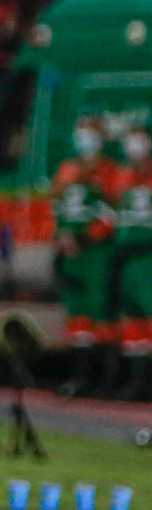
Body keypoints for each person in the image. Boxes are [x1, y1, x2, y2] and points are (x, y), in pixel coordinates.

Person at [52, 117, 122, 397]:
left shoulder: (109, 171)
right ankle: (79, 376)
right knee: (77, 313)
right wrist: (61, 235)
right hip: (72, 254)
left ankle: (106, 378)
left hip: (97, 253)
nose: (84, 140)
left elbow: (114, 213)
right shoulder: (67, 169)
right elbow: (56, 206)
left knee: (101, 311)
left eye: (90, 134)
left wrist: (85, 235)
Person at [101, 130, 152, 400]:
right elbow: (109, 212)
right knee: (132, 319)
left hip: (148, 256)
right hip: (126, 258)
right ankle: (135, 379)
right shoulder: (120, 176)